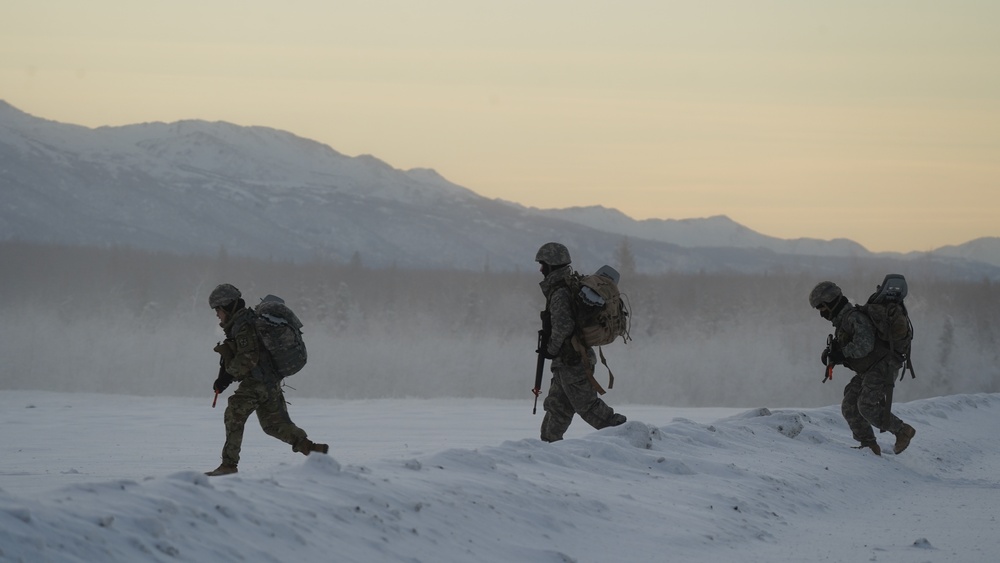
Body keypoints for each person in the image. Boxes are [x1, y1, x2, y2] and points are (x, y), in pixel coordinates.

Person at [205, 283, 328, 476]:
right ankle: (314, 450)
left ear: (227, 306)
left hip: (257, 382)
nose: (217, 315)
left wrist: (227, 377)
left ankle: (229, 464)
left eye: (218, 310)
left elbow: (248, 357)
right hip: (269, 382)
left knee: (234, 413)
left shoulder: (243, 326)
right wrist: (225, 375)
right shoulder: (243, 323)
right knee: (274, 425)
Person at [809, 281, 916, 456]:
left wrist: (841, 354)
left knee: (866, 405)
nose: (821, 314)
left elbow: (864, 346)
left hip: (883, 366)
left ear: (831, 302)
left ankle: (903, 431)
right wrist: (833, 355)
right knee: (849, 405)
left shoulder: (854, 318)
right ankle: (869, 446)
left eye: (822, 308)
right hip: (870, 368)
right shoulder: (843, 322)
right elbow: (856, 351)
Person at [535, 242, 626, 442]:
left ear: (552, 265)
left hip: (572, 361)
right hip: (568, 361)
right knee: (557, 408)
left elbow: (563, 326)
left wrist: (550, 350)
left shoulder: (560, 292)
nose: (541, 269)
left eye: (543, 264)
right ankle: (547, 448)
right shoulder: (568, 285)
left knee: (589, 408)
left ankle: (627, 435)